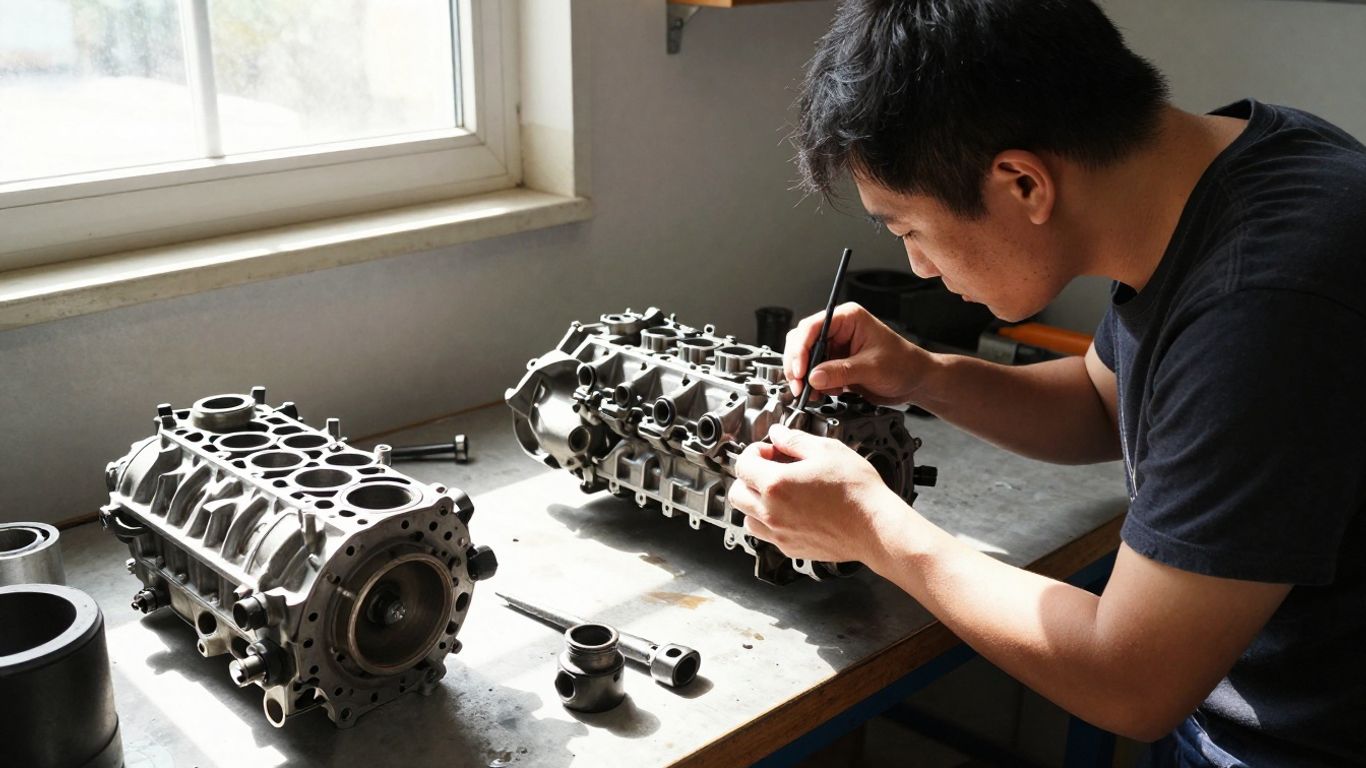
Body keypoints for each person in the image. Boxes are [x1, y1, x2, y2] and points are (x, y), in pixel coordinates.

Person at [726, 1, 1366, 765]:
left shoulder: (1265, 307)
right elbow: (1104, 404)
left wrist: (872, 528)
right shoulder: (1234, 172)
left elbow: (1131, 682)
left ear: (1022, 183)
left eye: (908, 230)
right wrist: (922, 374)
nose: (918, 268)